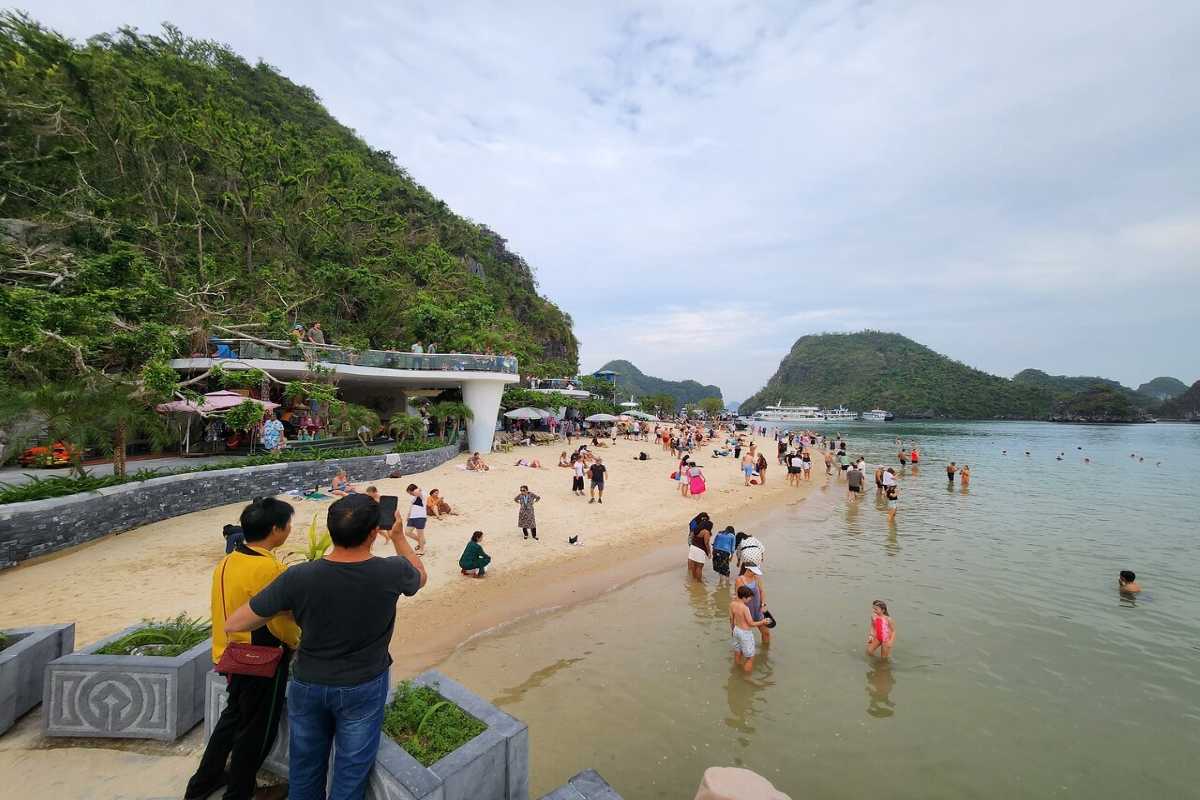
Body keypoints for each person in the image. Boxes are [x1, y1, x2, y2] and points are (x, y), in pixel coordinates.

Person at [223, 494, 425, 800]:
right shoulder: (392, 570)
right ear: (374, 533)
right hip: (363, 685)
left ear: (331, 531)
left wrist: (289, 609)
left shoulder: (299, 577)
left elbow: (235, 623)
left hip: (308, 684)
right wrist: (398, 538)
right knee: (350, 773)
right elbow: (420, 577)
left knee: (304, 771)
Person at [185, 499, 300, 800]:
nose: (289, 529)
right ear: (275, 530)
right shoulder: (271, 567)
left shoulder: (228, 560)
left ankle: (203, 782)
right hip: (262, 659)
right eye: (287, 524)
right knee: (258, 732)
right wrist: (297, 642)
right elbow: (279, 622)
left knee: (232, 719)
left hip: (229, 653)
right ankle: (239, 792)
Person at [730, 584, 771, 673]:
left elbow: (731, 619)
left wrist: (732, 630)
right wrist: (763, 622)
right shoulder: (745, 608)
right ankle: (746, 676)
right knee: (750, 657)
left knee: (738, 652)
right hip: (745, 633)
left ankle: (737, 671)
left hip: (736, 630)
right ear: (744, 597)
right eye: (749, 598)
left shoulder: (732, 604)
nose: (750, 600)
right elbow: (751, 623)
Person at [734, 564, 770, 646]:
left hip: (758, 610)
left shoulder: (757, 578)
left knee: (766, 633)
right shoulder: (740, 580)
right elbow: (738, 597)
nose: (756, 573)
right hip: (746, 611)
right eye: (754, 572)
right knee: (743, 638)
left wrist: (763, 604)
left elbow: (762, 592)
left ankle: (765, 654)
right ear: (749, 570)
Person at [404, 484, 427, 554]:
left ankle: (422, 550)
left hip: (420, 516)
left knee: (420, 534)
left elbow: (417, 492)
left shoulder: (422, 493)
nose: (410, 494)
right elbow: (412, 506)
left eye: (410, 492)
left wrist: (417, 489)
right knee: (407, 532)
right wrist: (408, 515)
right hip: (412, 517)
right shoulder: (413, 497)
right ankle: (421, 541)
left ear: (413, 490)